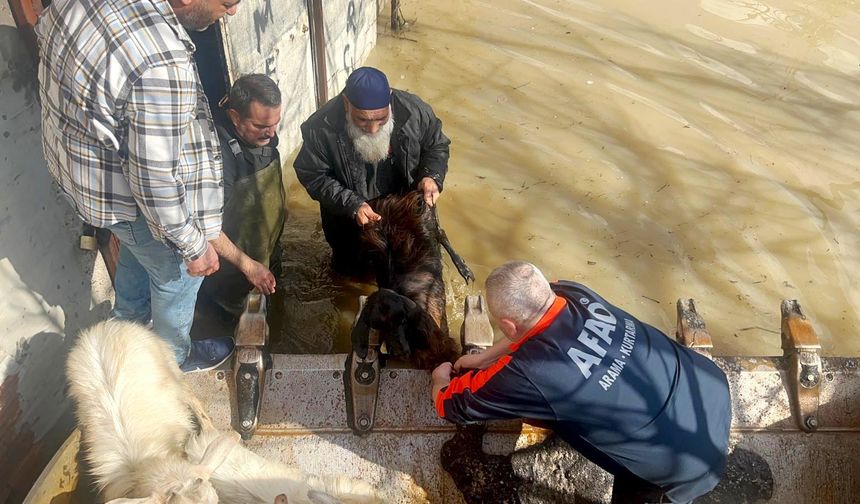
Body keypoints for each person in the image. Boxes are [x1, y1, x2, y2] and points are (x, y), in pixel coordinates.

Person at [36, 0, 243, 372]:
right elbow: (154, 183)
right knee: (178, 275)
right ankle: (172, 362)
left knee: (136, 245)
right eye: (228, 2)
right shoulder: (161, 65)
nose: (231, 13)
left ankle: (127, 337)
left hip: (86, 181)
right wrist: (194, 247)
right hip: (126, 194)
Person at [432, 261, 732, 503]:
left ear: (508, 326)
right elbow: (531, 328)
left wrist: (440, 376)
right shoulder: (572, 292)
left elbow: (450, 404)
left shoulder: (532, 370)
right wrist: (483, 360)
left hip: (682, 466)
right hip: (709, 388)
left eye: (503, 326)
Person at [293, 66, 450, 273]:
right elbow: (313, 174)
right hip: (351, 219)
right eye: (362, 120)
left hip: (404, 211)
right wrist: (351, 204)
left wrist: (431, 176)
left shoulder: (415, 112)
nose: (373, 129)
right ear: (346, 103)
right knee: (351, 277)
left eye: (381, 119)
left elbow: (436, 145)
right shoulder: (320, 127)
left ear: (390, 100)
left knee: (413, 272)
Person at [197, 74, 285, 325]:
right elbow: (207, 228)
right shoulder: (217, 159)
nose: (271, 133)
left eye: (275, 123)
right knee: (240, 327)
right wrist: (248, 266)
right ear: (235, 117)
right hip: (234, 273)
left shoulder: (264, 131)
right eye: (260, 126)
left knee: (274, 319)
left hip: (265, 253)